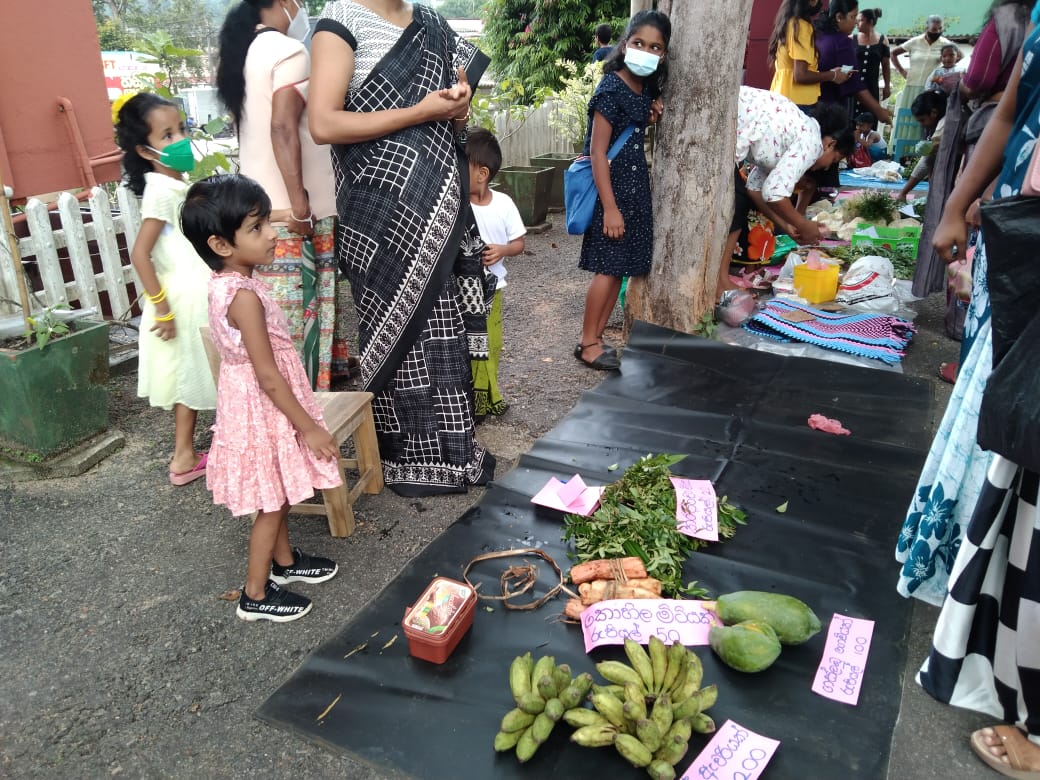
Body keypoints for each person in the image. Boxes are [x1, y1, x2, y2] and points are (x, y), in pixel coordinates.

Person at [912, 8, 1040, 774]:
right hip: (1024, 242)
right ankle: (1001, 661)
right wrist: (960, 206)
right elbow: (1011, 110)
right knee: (1017, 447)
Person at [307, 0, 495, 496]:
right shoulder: (340, 21)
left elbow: (457, 108)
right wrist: (420, 111)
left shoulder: (431, 22)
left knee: (441, 325)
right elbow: (323, 124)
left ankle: (455, 452)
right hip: (377, 210)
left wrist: (457, 103)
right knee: (397, 332)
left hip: (437, 200)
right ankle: (407, 456)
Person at [181, 174, 341, 623]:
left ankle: (285, 563)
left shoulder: (228, 283)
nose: (272, 234)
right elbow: (267, 374)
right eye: (257, 228)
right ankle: (255, 593)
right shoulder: (244, 297)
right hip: (262, 405)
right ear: (221, 244)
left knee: (279, 484)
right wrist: (308, 427)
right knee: (270, 503)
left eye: (267, 222)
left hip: (253, 402)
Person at [216, 0, 353, 393]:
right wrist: (301, 205)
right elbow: (282, 125)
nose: (302, 8)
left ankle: (295, 404)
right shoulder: (289, 51)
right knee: (302, 325)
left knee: (277, 322)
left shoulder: (245, 52)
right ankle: (306, 408)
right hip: (295, 215)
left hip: (260, 211)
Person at [114, 93, 216, 487]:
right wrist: (161, 308)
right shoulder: (160, 190)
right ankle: (184, 456)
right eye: (168, 134)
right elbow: (140, 253)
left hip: (194, 292)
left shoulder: (176, 185)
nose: (180, 139)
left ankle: (188, 453)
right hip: (184, 298)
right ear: (145, 149)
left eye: (182, 129)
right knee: (193, 377)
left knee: (194, 375)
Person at [575, 9, 669, 371]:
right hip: (611, 193)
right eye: (639, 43)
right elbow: (598, 151)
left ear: (663, 54)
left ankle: (596, 338)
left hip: (634, 192)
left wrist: (649, 114)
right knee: (607, 269)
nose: (646, 50)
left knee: (620, 269)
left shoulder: (644, 89)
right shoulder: (611, 86)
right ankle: (587, 342)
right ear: (625, 44)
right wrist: (610, 208)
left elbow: (630, 129)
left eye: (655, 46)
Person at [717, 88, 853, 301]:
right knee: (736, 205)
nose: (827, 168)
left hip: (729, 120)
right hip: (724, 117)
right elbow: (774, 193)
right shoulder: (812, 143)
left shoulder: (801, 134)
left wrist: (788, 226)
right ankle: (720, 281)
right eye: (834, 160)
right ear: (830, 145)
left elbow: (755, 190)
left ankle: (720, 277)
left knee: (741, 200)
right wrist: (804, 225)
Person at [466, 128, 526, 419]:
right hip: (462, 293)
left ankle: (490, 395)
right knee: (468, 346)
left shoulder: (503, 204)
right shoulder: (457, 205)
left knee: (491, 344)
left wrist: (502, 250)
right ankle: (472, 401)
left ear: (482, 173)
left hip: (494, 289)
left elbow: (519, 243)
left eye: (461, 165)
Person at [814, 0, 892, 125]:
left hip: (812, 107)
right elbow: (854, 82)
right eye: (853, 16)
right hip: (832, 111)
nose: (856, 22)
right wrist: (879, 111)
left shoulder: (818, 36)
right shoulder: (842, 43)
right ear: (839, 17)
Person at [768, 0, 851, 107]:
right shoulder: (801, 27)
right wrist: (833, 75)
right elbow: (801, 75)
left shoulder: (788, 23)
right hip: (798, 101)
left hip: (780, 97)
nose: (819, 4)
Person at [889, 15, 952, 154]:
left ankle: (920, 154)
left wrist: (945, 72)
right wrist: (903, 72)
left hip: (929, 90)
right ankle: (904, 154)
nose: (937, 32)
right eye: (934, 29)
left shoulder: (945, 43)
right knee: (908, 120)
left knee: (925, 122)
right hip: (911, 85)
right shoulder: (915, 41)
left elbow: (956, 55)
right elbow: (893, 53)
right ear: (926, 28)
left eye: (940, 29)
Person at [896, 89, 947, 201]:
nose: (922, 124)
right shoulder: (930, 127)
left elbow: (927, 158)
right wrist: (904, 193)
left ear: (933, 113)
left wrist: (904, 192)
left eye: (922, 120)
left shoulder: (946, 124)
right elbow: (928, 159)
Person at [854, 8, 892, 116]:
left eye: (860, 20)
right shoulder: (852, 39)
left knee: (870, 117)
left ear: (870, 22)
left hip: (871, 86)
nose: (857, 23)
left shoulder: (882, 40)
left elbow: (885, 65)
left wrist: (887, 86)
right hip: (854, 86)